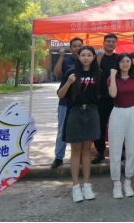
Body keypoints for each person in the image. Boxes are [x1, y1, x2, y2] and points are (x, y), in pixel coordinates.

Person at [57, 45, 101, 203]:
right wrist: (69, 82)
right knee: (76, 151)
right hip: (75, 112)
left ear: (93, 57)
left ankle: (87, 185)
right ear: (79, 56)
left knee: (87, 150)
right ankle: (75, 186)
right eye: (83, 55)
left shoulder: (98, 73)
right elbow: (60, 95)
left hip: (91, 112)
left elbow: (100, 94)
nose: (86, 58)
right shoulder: (71, 73)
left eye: (89, 55)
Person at [108, 53, 134, 199]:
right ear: (118, 63)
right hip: (117, 112)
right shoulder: (112, 78)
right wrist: (112, 75)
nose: (125, 64)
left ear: (131, 63)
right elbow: (112, 94)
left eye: (127, 61)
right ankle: (116, 184)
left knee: (131, 148)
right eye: (122, 61)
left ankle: (128, 182)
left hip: (132, 112)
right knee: (115, 150)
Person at [51, 37, 83, 169]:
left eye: (80, 46)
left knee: (80, 131)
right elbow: (56, 73)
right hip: (65, 101)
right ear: (71, 48)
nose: (77, 48)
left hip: (81, 102)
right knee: (62, 130)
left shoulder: (86, 60)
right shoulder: (66, 61)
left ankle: (79, 157)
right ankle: (59, 157)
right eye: (75, 46)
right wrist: (60, 57)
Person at [92, 33, 119, 165]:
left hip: (117, 97)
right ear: (103, 43)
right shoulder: (97, 57)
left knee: (117, 126)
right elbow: (93, 71)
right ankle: (100, 151)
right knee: (100, 125)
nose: (110, 44)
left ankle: (117, 151)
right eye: (108, 41)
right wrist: (99, 57)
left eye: (113, 42)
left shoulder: (119, 58)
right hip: (101, 97)